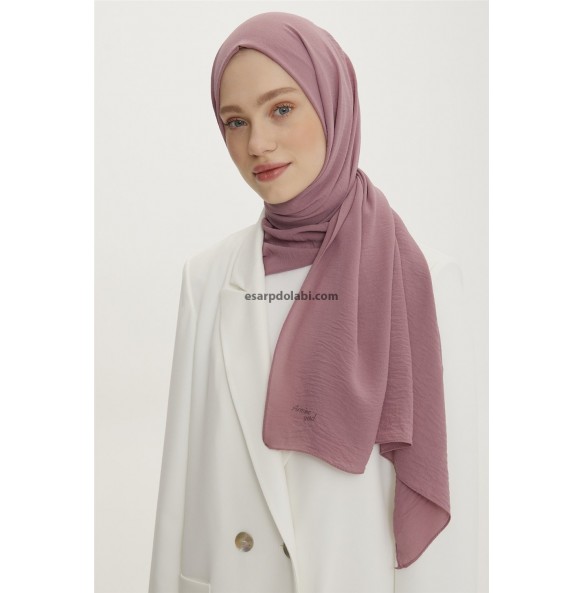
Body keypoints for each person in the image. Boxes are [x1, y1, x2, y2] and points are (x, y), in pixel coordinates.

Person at [149, 12, 455, 593]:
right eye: (235, 121)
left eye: (282, 109)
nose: (257, 144)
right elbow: (180, 487)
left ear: (333, 102)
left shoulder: (423, 278)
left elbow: (447, 511)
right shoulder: (205, 279)